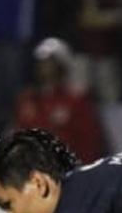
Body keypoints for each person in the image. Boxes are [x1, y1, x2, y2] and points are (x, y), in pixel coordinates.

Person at [13, 36, 104, 164]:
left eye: (49, 62)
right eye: (41, 62)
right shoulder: (27, 99)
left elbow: (88, 140)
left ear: (61, 64)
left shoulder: (75, 99)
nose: (43, 66)